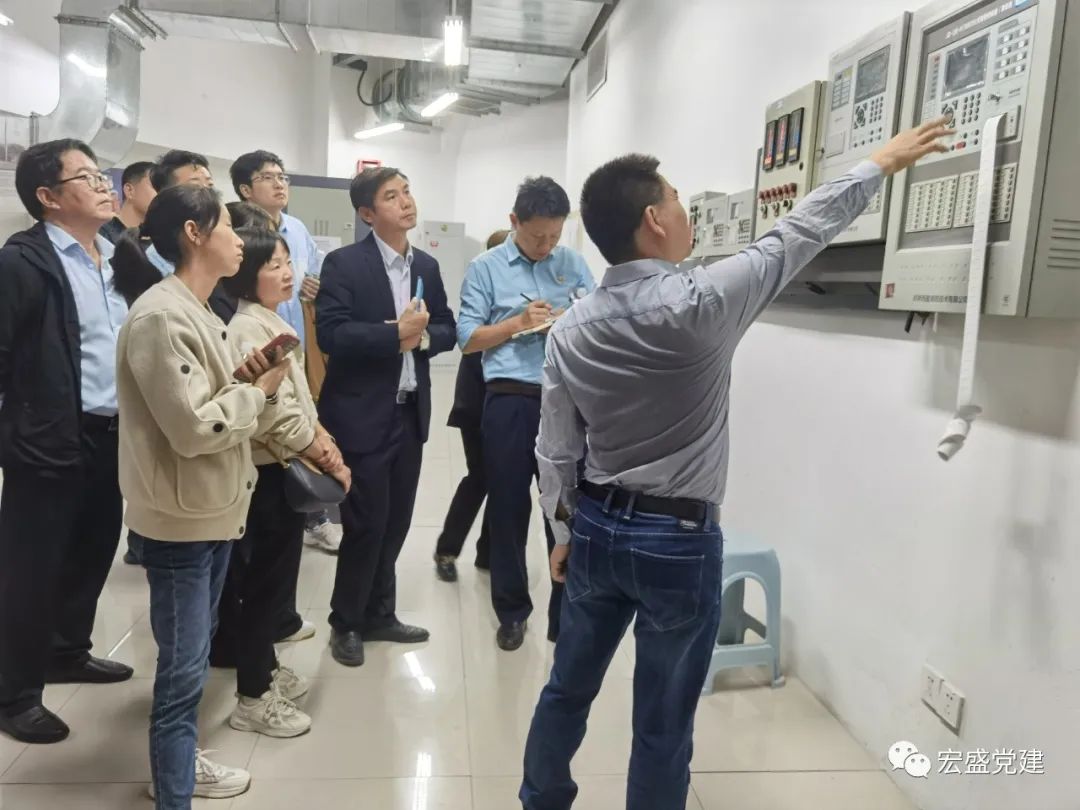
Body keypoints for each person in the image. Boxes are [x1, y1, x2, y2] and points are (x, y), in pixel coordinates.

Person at [519, 118, 953, 810]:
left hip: (596, 528)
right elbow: (797, 233)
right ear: (654, 220)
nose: (685, 212)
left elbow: (556, 447)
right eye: (677, 200)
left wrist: (562, 530)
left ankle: (541, 800)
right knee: (662, 723)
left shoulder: (571, 328)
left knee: (566, 688)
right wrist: (879, 162)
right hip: (677, 542)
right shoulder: (705, 301)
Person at [112, 183, 291, 807]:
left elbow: (203, 401)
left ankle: (180, 767)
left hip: (212, 511)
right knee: (183, 674)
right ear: (194, 234)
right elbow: (193, 429)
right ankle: (174, 792)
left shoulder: (198, 309)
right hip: (181, 522)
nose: (240, 240)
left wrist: (244, 380)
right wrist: (259, 391)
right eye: (229, 228)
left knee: (193, 656)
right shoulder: (162, 316)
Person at [0, 138, 135, 745]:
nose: (104, 185)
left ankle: (66, 651)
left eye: (102, 174)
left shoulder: (116, 254)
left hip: (112, 432)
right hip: (47, 436)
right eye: (87, 177)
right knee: (31, 568)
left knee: (92, 548)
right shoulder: (21, 263)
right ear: (48, 197)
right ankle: (14, 694)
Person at [316, 166, 456, 667]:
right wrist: (395, 332)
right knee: (365, 525)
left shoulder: (427, 267)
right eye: (392, 196)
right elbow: (332, 334)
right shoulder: (344, 264)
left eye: (407, 192)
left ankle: (380, 614)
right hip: (361, 414)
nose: (406, 202)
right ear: (367, 213)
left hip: (409, 413)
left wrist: (423, 336)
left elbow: (447, 327)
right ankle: (346, 622)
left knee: (396, 521)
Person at [457, 177, 595, 651]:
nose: (546, 245)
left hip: (565, 400)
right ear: (514, 221)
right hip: (510, 398)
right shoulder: (486, 268)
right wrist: (517, 323)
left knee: (563, 507)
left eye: (554, 235)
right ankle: (512, 611)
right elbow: (468, 338)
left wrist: (571, 321)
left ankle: (563, 613)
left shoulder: (572, 264)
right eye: (537, 236)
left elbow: (597, 318)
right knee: (509, 505)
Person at [222, 227, 351, 737]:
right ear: (246, 274)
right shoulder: (246, 329)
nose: (286, 272)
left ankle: (265, 669)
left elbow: (299, 399)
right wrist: (323, 453)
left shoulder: (271, 319)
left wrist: (322, 436)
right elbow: (272, 414)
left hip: (281, 467)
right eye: (272, 265)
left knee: (274, 585)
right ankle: (253, 698)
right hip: (264, 473)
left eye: (286, 262)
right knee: (261, 589)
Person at [230, 150, 342, 555]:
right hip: (258, 338)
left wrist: (312, 285)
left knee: (301, 405)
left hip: (292, 335)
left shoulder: (296, 228)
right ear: (245, 189)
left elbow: (312, 273)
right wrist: (320, 449)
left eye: (283, 176)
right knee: (272, 422)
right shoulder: (238, 230)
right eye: (268, 177)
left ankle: (311, 512)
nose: (280, 184)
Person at [432, 229, 511, 582]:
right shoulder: (481, 295)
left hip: (512, 405)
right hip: (477, 402)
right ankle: (447, 550)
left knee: (506, 479)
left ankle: (488, 553)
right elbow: (469, 341)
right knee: (480, 477)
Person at [99, 161, 156, 244]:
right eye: (156, 186)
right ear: (129, 190)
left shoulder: (162, 241)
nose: (162, 193)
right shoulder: (101, 236)